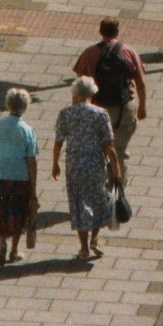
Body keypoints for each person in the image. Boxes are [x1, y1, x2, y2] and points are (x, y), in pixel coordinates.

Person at [51, 77, 121, 261]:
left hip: (74, 165)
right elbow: (109, 145)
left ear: (75, 94)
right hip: (94, 164)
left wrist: (55, 163)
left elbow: (59, 141)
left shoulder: (65, 114)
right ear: (91, 94)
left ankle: (83, 247)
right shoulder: (101, 114)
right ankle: (95, 239)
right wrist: (117, 169)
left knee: (78, 202)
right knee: (98, 199)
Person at [73, 16, 147, 186]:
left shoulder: (90, 54)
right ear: (117, 32)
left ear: (100, 31)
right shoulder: (129, 52)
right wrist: (142, 106)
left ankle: (101, 190)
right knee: (119, 151)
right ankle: (119, 190)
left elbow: (80, 86)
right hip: (124, 108)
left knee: (98, 151)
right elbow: (140, 82)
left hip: (97, 110)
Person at [0, 88, 39, 265]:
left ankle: (2, 241)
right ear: (25, 106)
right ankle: (13, 250)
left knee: (1, 211)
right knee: (17, 214)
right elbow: (31, 160)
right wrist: (33, 186)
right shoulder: (28, 130)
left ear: (8, 104)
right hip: (19, 178)